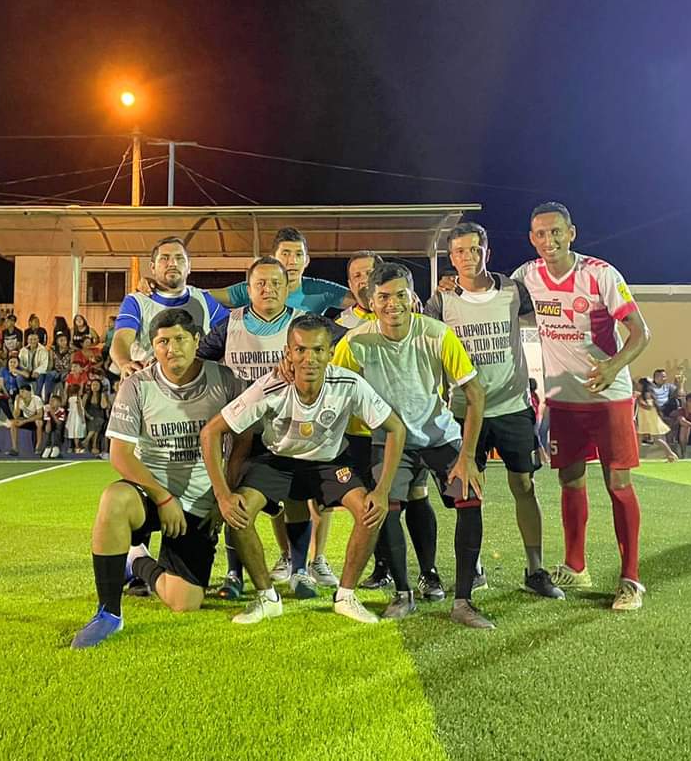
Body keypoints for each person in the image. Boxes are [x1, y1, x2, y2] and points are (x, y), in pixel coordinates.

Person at [202, 314, 408, 624]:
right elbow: (211, 432)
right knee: (238, 511)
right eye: (300, 350)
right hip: (277, 461)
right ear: (288, 353)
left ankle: (346, 596)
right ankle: (267, 598)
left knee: (370, 511)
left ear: (330, 352)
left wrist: (381, 491)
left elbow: (396, 428)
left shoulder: (348, 383)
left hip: (328, 462)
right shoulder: (270, 385)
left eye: (318, 350)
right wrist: (223, 495)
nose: (309, 358)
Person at [71, 308, 246, 648]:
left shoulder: (224, 380)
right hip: (151, 495)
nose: (172, 348)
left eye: (180, 339)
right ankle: (108, 613)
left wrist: (223, 493)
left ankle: (136, 559)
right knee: (114, 499)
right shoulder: (138, 385)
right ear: (153, 346)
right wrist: (163, 498)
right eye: (162, 342)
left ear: (197, 340)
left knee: (185, 601)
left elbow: (244, 438)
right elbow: (120, 454)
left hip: (198, 501)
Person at [333, 262, 493, 628]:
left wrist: (467, 457)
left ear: (412, 297)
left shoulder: (436, 334)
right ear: (371, 301)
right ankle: (403, 593)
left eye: (400, 295)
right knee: (383, 507)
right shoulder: (355, 342)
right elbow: (333, 385)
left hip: (439, 436)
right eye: (383, 297)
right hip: (390, 441)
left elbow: (475, 393)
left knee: (469, 497)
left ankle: (464, 601)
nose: (393, 304)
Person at [512, 201, 650, 611]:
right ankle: (576, 566)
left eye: (556, 231)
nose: (548, 240)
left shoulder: (600, 274)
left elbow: (641, 333)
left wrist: (612, 367)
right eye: (540, 233)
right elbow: (491, 297)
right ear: (532, 238)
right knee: (570, 480)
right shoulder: (526, 276)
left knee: (618, 484)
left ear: (571, 233)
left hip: (608, 397)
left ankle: (631, 580)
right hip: (563, 400)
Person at [424, 221, 564, 598]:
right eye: (459, 251)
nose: (468, 257)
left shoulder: (513, 290)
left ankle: (535, 570)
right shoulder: (441, 301)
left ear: (488, 251)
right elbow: (427, 347)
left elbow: (550, 313)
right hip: (463, 409)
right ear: (451, 257)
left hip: (512, 406)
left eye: (475, 249)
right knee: (467, 492)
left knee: (524, 486)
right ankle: (474, 569)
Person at [197, 257, 335, 598]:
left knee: (297, 497)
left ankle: (299, 570)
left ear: (287, 288)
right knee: (235, 495)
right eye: (260, 283)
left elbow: (342, 345)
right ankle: (234, 573)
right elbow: (197, 360)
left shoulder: (301, 324)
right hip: (242, 430)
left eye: (276, 283)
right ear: (248, 289)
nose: (268, 289)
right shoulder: (230, 325)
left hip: (290, 428)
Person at [337, 250, 440, 596]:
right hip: (362, 432)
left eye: (370, 273)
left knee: (415, 493)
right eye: (357, 276)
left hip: (408, 427)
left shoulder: (411, 315)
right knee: (377, 500)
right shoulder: (342, 326)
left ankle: (428, 572)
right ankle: (383, 567)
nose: (364, 280)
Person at [111, 237, 227, 378]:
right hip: (150, 383)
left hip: (197, 384)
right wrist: (124, 363)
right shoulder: (136, 301)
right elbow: (122, 338)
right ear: (152, 267)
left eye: (179, 258)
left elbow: (232, 331)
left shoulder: (204, 300)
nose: (172, 263)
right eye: (164, 258)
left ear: (189, 267)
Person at [211, 227, 354, 314]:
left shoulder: (321, 290)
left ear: (307, 261)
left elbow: (362, 301)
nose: (292, 261)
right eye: (285, 254)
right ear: (273, 259)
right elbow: (203, 297)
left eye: (299, 254)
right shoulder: (254, 289)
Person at [635, 378, 678, 462]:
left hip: (650, 419)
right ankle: (636, 457)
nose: (637, 386)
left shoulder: (647, 394)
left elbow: (649, 406)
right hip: (644, 419)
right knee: (639, 439)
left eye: (639, 384)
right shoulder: (642, 394)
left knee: (657, 439)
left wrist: (639, 400)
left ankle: (671, 454)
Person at [7, 384, 44, 457]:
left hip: (35, 419)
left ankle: (38, 447)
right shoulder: (19, 400)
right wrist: (17, 402)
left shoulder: (36, 399)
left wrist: (24, 421)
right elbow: (15, 416)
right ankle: (14, 448)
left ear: (29, 392)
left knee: (39, 422)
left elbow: (40, 415)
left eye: (23, 392)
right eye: (20, 392)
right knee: (13, 423)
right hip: (26, 419)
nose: (21, 394)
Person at [19, 332, 56, 401]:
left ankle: (37, 396)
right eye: (30, 339)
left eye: (35, 339)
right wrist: (25, 370)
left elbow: (44, 364)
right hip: (27, 371)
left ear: (38, 340)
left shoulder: (43, 350)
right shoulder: (23, 350)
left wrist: (37, 371)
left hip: (38, 372)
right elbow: (20, 363)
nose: (33, 341)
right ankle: (23, 395)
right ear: (27, 340)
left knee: (40, 376)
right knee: (19, 377)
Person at [83, 378, 110, 455]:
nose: (95, 387)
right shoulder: (86, 396)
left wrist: (102, 396)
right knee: (96, 424)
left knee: (98, 421)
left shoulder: (102, 395)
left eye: (97, 385)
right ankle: (94, 446)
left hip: (99, 416)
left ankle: (87, 440)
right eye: (93, 385)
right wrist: (88, 416)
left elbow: (104, 406)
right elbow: (82, 408)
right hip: (89, 416)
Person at [41, 393, 67, 459]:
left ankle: (56, 447)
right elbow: (47, 428)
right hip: (51, 426)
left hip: (60, 428)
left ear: (59, 403)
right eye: (50, 401)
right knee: (47, 431)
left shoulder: (62, 411)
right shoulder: (47, 410)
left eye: (53, 401)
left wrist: (52, 413)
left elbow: (59, 423)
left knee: (57, 429)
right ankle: (48, 447)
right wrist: (49, 416)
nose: (51, 402)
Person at [66, 385, 86, 453]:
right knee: (77, 432)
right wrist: (82, 418)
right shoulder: (78, 399)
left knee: (74, 432)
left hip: (71, 416)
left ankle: (75, 447)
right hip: (77, 417)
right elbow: (79, 409)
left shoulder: (70, 398)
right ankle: (77, 447)